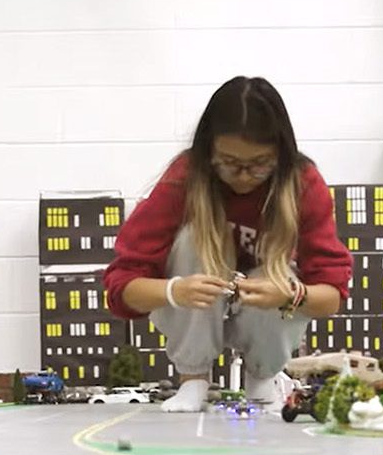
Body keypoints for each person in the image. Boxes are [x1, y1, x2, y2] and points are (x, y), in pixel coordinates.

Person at [102, 77, 353, 412]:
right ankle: (193, 378)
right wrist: (175, 290)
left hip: (264, 316)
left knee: (282, 273)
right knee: (192, 240)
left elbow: (332, 294)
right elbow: (121, 289)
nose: (245, 176)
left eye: (260, 164)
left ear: (281, 153)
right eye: (230, 163)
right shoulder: (186, 177)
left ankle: (262, 376)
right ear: (208, 153)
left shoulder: (301, 183)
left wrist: (289, 295)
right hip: (198, 307)